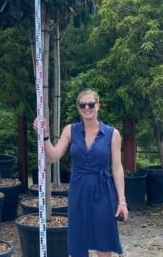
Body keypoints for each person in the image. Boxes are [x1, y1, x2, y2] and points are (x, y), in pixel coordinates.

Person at [34, 88, 128, 257]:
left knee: (103, 241)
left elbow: (117, 168)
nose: (86, 108)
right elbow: (54, 156)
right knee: (78, 241)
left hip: (102, 192)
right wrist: (45, 135)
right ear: (78, 107)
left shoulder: (112, 134)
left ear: (98, 105)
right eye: (82, 105)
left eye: (90, 104)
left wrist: (122, 202)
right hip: (78, 191)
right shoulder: (70, 130)